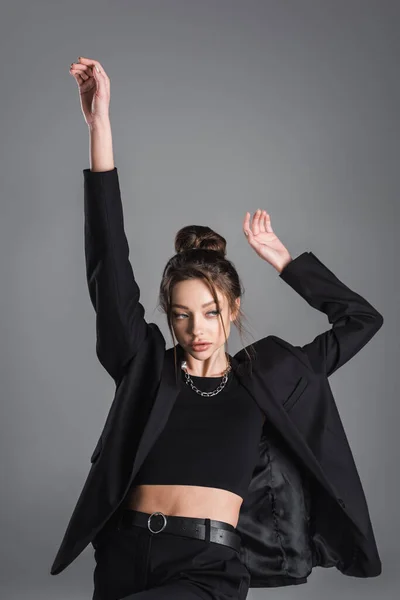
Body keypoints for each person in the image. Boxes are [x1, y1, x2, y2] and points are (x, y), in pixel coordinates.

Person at [62, 57, 383, 600]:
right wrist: (100, 129)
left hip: (206, 567)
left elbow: (360, 321)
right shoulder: (146, 369)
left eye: (211, 311)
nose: (197, 328)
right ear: (168, 316)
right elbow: (108, 267)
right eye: (182, 314)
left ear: (233, 310)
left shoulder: (270, 376)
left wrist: (287, 263)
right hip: (123, 557)